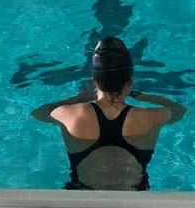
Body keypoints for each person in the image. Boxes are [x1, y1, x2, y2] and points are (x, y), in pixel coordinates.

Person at [31, 37, 186, 190]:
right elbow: (179, 111)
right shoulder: (150, 117)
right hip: (133, 197)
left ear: (94, 81)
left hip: (82, 195)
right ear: (129, 83)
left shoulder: (70, 115)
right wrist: (147, 97)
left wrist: (76, 99)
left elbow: (39, 113)